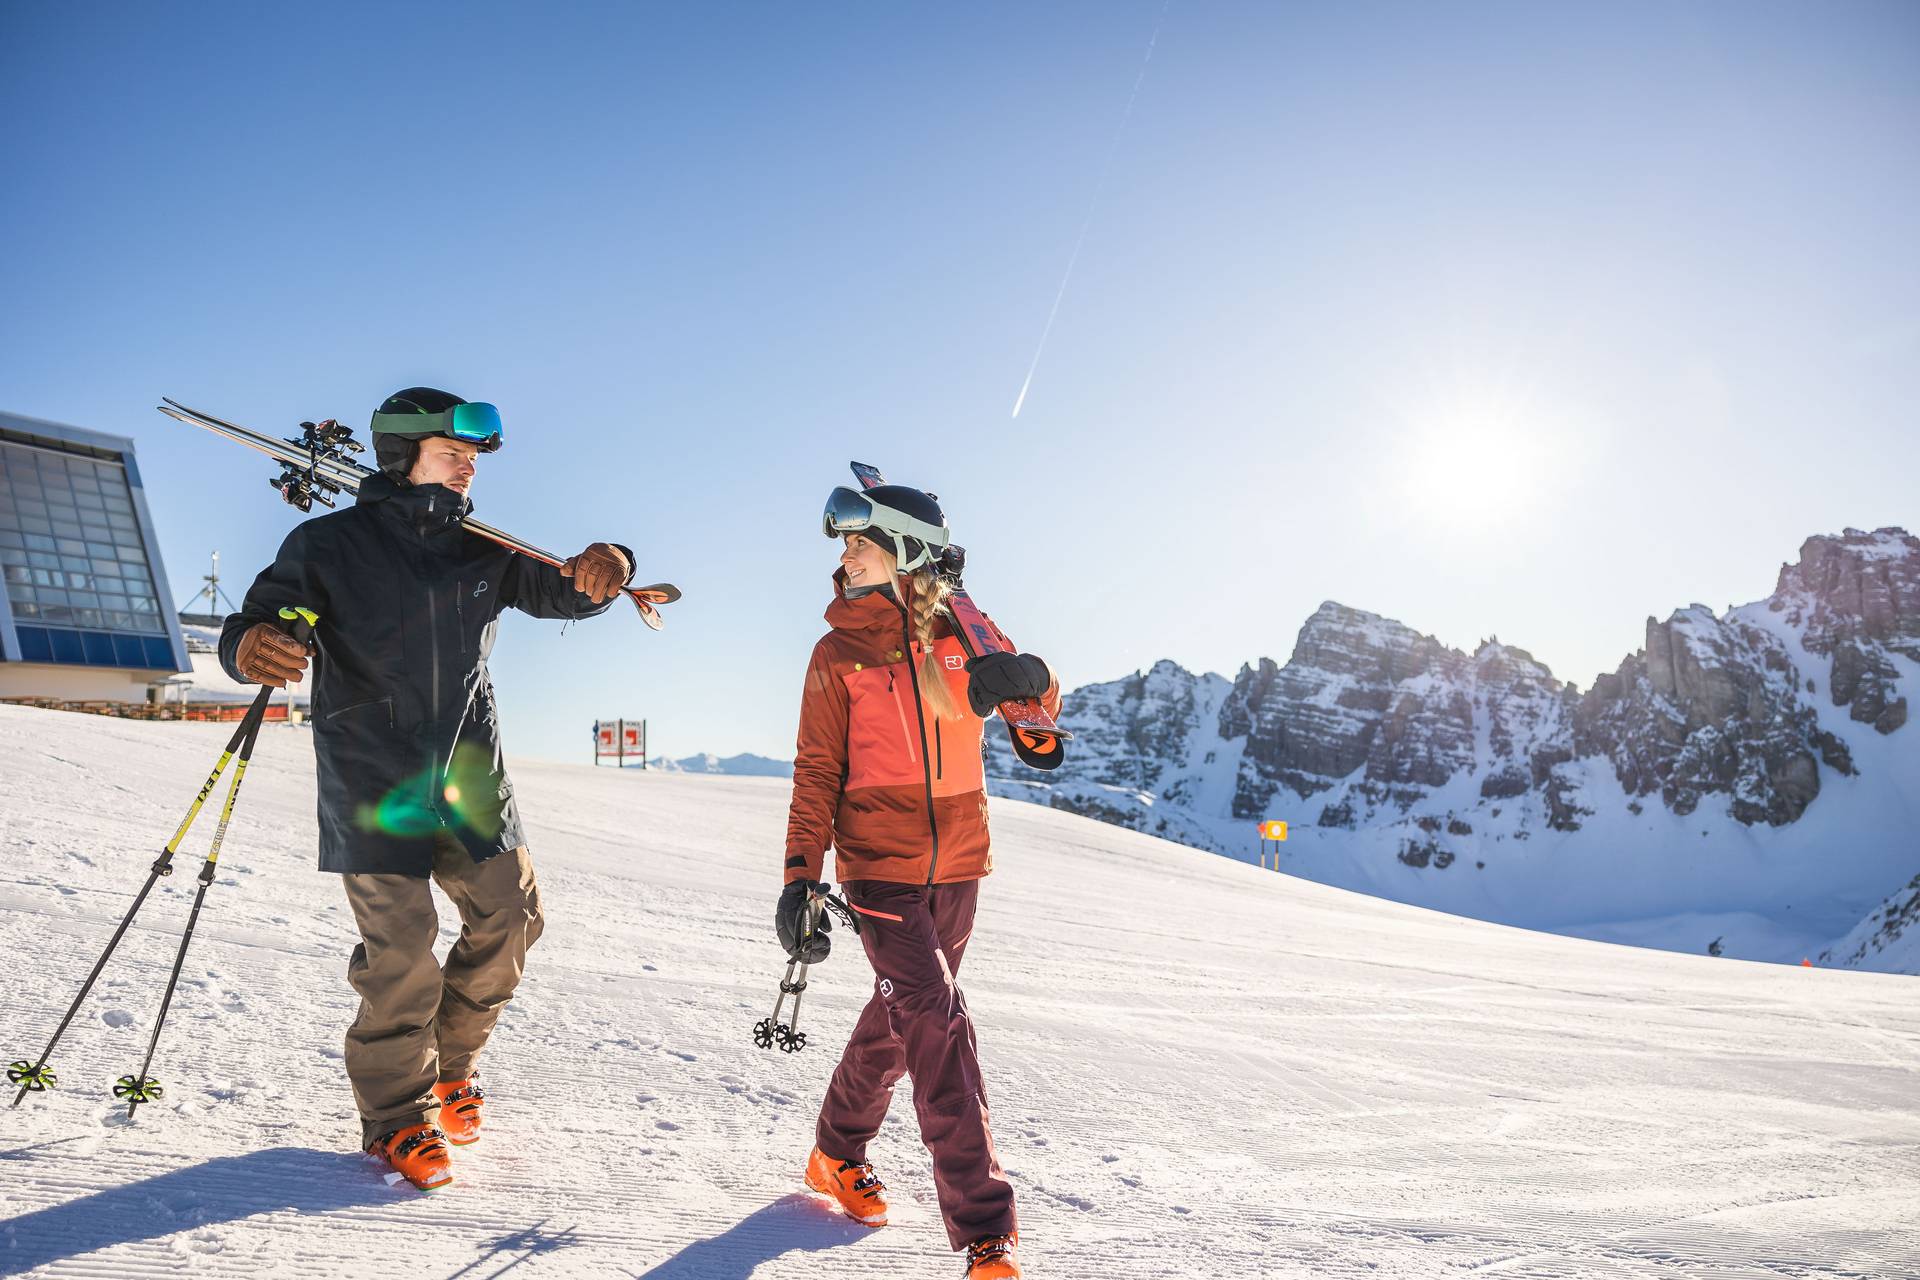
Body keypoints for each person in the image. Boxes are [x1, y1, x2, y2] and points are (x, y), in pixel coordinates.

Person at [219, 387, 634, 1191]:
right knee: (402, 953)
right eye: (455, 452)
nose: (470, 465)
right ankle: (396, 1119)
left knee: (513, 917)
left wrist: (611, 562)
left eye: (474, 456)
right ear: (404, 454)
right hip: (375, 778)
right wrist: (252, 644)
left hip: (470, 774)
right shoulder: (330, 543)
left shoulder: (483, 546)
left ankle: (452, 1067)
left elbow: (566, 591)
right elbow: (267, 617)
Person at [780, 480, 1061, 1279]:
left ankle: (836, 1152)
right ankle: (984, 1230)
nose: (844, 558)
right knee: (936, 1018)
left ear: (904, 550)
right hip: (878, 866)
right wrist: (802, 878)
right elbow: (815, 771)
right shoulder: (838, 653)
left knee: (899, 1017)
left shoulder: (960, 633)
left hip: (961, 860)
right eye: (844, 545)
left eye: (859, 543)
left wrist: (1032, 680)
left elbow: (1034, 721)